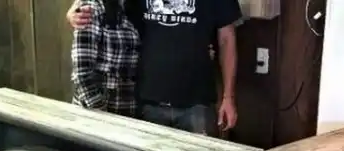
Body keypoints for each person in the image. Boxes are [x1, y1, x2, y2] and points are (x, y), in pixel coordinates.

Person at [67, 0, 240, 136]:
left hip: (197, 103)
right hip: (145, 102)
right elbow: (107, 5)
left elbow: (227, 39)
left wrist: (228, 97)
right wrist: (76, 9)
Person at [70, 0, 140, 117]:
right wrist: (100, 111)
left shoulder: (134, 8)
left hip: (129, 111)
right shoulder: (93, 9)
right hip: (95, 113)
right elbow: (82, 72)